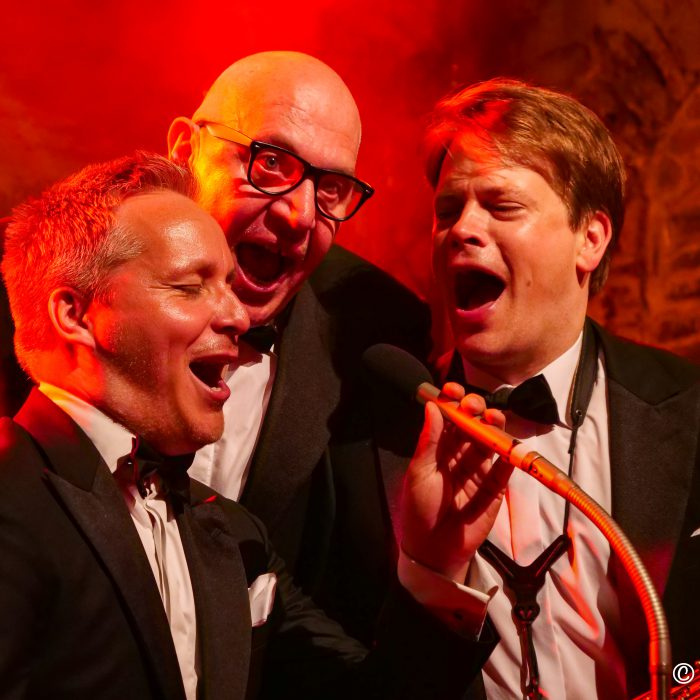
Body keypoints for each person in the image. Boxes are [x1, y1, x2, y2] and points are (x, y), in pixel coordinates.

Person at [0, 151, 501, 699]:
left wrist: (436, 563)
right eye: (190, 287)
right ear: (75, 314)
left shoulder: (234, 536)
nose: (238, 316)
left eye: (226, 285)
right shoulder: (13, 494)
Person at [422, 78, 700, 699]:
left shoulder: (689, 409)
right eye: (448, 210)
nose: (462, 229)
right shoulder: (377, 433)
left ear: (590, 239)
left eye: (501, 205)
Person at [165, 51, 430, 641]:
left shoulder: (374, 333)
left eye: (331, 188)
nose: (301, 214)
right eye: (271, 162)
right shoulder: (56, 286)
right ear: (185, 151)